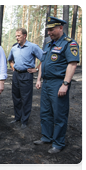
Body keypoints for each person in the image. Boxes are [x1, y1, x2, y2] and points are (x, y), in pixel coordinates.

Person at [34, 16, 79, 154]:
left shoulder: (69, 43)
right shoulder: (48, 44)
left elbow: (72, 64)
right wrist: (39, 79)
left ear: (60, 28)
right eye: (48, 30)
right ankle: (47, 137)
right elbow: (43, 63)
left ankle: (58, 143)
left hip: (58, 83)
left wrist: (65, 84)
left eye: (51, 30)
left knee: (59, 114)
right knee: (45, 112)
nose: (49, 32)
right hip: (46, 83)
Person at [8, 28, 43, 129]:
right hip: (16, 75)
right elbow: (10, 59)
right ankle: (17, 117)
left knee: (26, 98)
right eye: (16, 36)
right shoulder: (14, 48)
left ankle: (24, 120)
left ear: (25, 35)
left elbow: (44, 59)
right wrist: (12, 66)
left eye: (18, 36)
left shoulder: (33, 47)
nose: (17, 38)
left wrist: (36, 69)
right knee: (16, 97)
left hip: (26, 75)